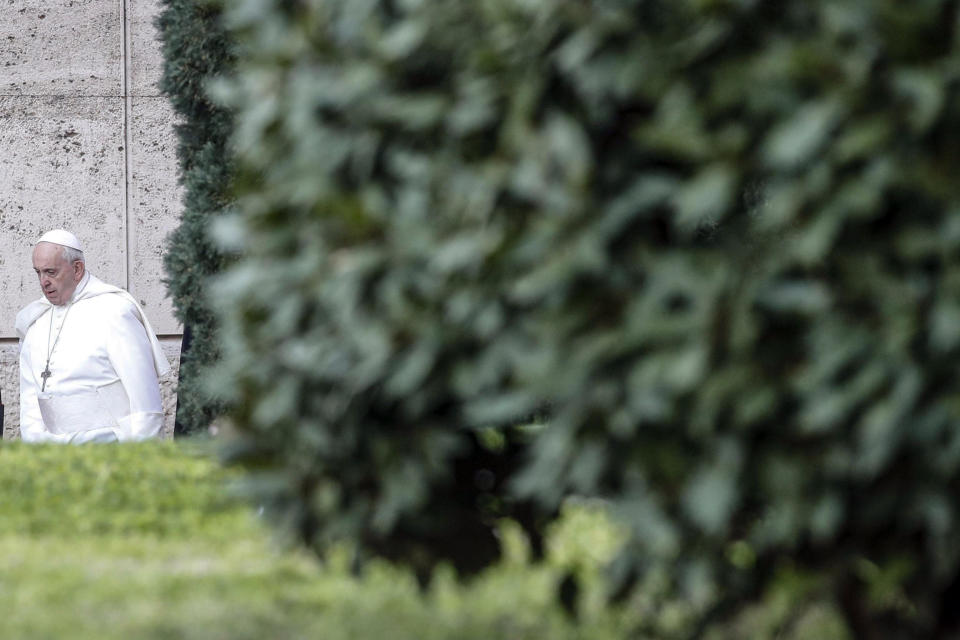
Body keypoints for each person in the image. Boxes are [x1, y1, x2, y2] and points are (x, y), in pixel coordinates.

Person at [15, 230, 170, 443]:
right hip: (54, 463)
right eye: (38, 273)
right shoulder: (34, 323)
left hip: (113, 457)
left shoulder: (115, 312)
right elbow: (30, 410)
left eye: (51, 272)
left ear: (77, 269)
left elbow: (146, 409)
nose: (43, 282)